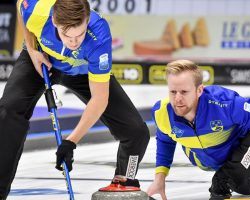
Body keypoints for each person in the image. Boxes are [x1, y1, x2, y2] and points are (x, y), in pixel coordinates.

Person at [0, 0, 150, 199]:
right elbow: (22, 8)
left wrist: (71, 142)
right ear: (54, 21)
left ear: (87, 20)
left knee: (136, 132)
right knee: (8, 111)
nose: (73, 42)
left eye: (79, 35)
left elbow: (100, 99)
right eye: (66, 35)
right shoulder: (38, 11)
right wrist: (32, 49)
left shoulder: (99, 34)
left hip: (82, 71)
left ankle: (123, 185)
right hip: (41, 60)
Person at [147, 60, 250, 200]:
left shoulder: (226, 103)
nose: (177, 99)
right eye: (173, 92)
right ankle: (238, 173)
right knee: (245, 188)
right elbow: (165, 140)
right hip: (223, 164)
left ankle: (225, 177)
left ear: (199, 90)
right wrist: (159, 178)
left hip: (247, 149)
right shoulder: (162, 113)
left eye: (184, 92)